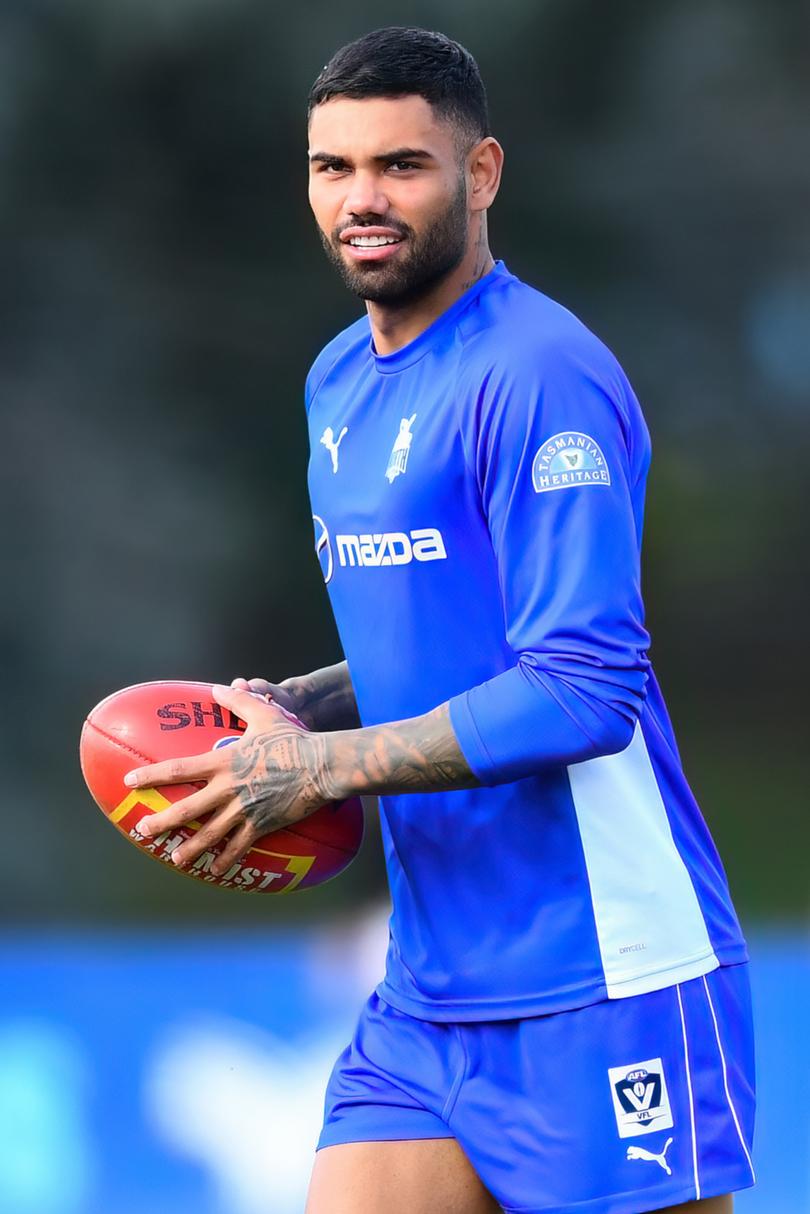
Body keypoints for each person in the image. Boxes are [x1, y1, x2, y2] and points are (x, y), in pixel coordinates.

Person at [124, 27, 756, 1214]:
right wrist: (290, 707)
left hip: (602, 971)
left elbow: (581, 685)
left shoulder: (540, 374)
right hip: (428, 990)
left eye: (401, 165)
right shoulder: (336, 382)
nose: (362, 199)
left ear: (482, 174)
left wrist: (321, 766)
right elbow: (437, 633)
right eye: (333, 168)